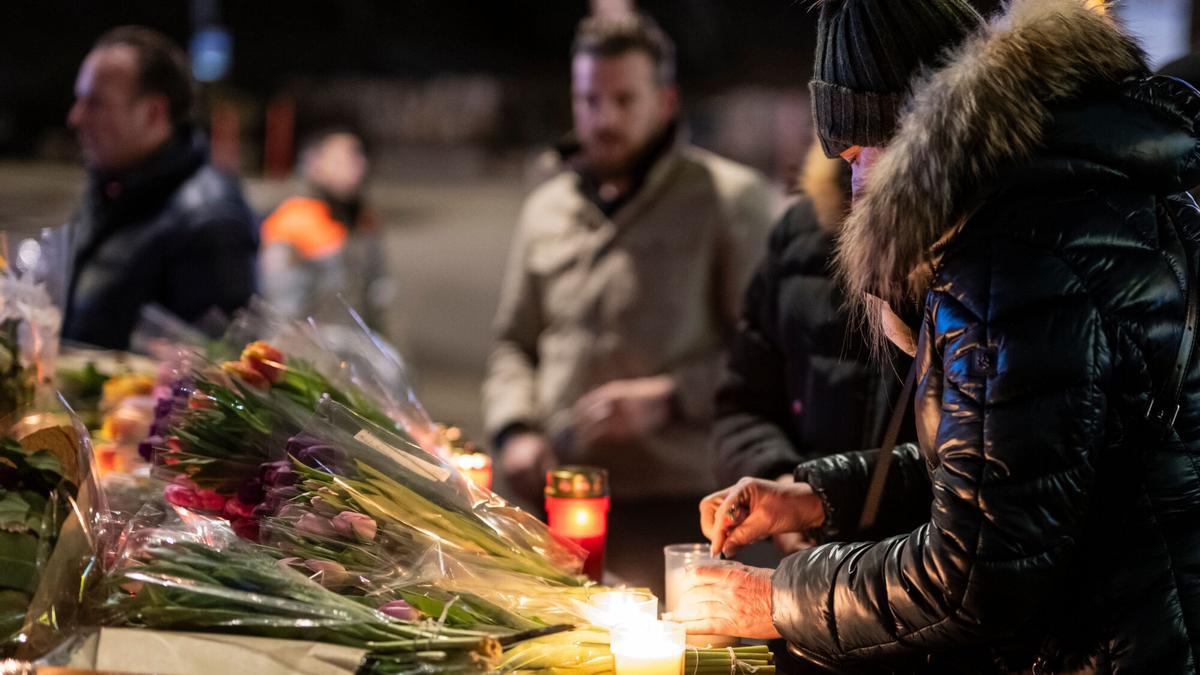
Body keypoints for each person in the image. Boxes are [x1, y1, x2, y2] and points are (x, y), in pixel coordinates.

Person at [675, 0, 1200, 672]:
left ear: (914, 133)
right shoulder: (1063, 197)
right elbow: (1018, 458)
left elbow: (977, 574)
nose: (856, 180)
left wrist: (776, 598)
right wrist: (818, 495)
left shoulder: (1006, 255)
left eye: (862, 151)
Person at [481, 12, 773, 592]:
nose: (603, 118)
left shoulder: (726, 199)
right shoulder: (548, 206)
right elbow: (514, 342)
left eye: (623, 100)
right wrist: (515, 429)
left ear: (665, 101)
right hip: (561, 502)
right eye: (588, 100)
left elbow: (765, 354)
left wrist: (667, 398)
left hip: (684, 507)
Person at [712, 142, 914, 524]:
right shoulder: (799, 234)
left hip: (926, 563)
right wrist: (782, 483)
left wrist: (813, 501)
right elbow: (744, 401)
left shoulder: (958, 239)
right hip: (811, 558)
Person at [63, 26, 258, 350]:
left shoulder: (211, 218)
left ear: (153, 112)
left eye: (95, 103)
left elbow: (219, 373)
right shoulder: (114, 187)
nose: (75, 117)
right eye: (79, 100)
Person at [259, 127, 392, 329]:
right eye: (345, 159)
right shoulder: (293, 219)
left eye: (359, 156)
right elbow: (282, 305)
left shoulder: (361, 217)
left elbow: (376, 289)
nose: (359, 166)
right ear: (315, 165)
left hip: (356, 347)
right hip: (311, 352)